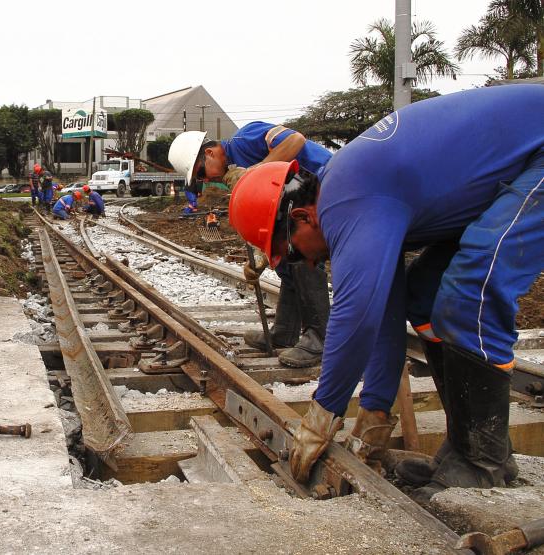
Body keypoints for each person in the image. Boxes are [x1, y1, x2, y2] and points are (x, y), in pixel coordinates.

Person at [228, 86, 544, 498]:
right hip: (520, 165)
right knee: (424, 299)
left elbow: (355, 317)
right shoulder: (356, 196)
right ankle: (473, 449)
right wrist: (375, 415)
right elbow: (386, 316)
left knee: (471, 293)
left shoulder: (347, 200)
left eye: (290, 253)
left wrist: (321, 419)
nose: (304, 264)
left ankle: (481, 463)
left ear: (303, 217)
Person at [168, 125, 332, 368]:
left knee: (302, 257)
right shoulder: (235, 171)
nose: (206, 180)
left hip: (327, 182)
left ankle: (320, 338)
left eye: (201, 172)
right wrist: (261, 257)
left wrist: (255, 172)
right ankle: (285, 332)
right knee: (287, 260)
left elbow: (296, 140)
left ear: (211, 152)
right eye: (200, 179)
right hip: (302, 204)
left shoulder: (245, 139)